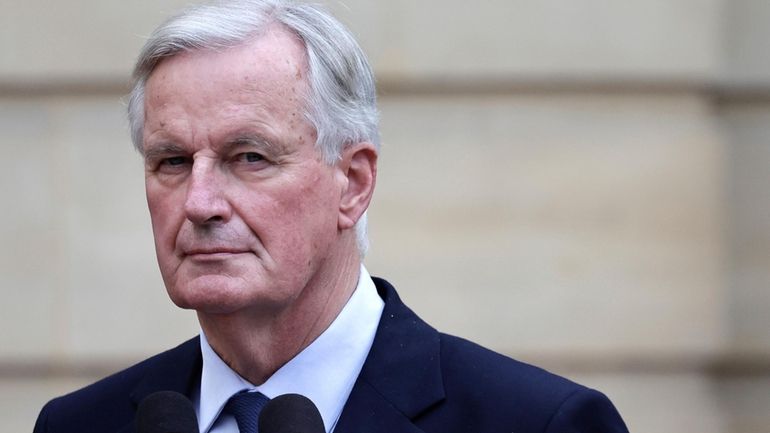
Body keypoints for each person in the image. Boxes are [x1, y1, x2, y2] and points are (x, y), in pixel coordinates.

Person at [33, 1, 629, 432]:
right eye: (172, 161)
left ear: (354, 183)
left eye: (249, 157)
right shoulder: (81, 424)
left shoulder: (533, 422)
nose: (200, 202)